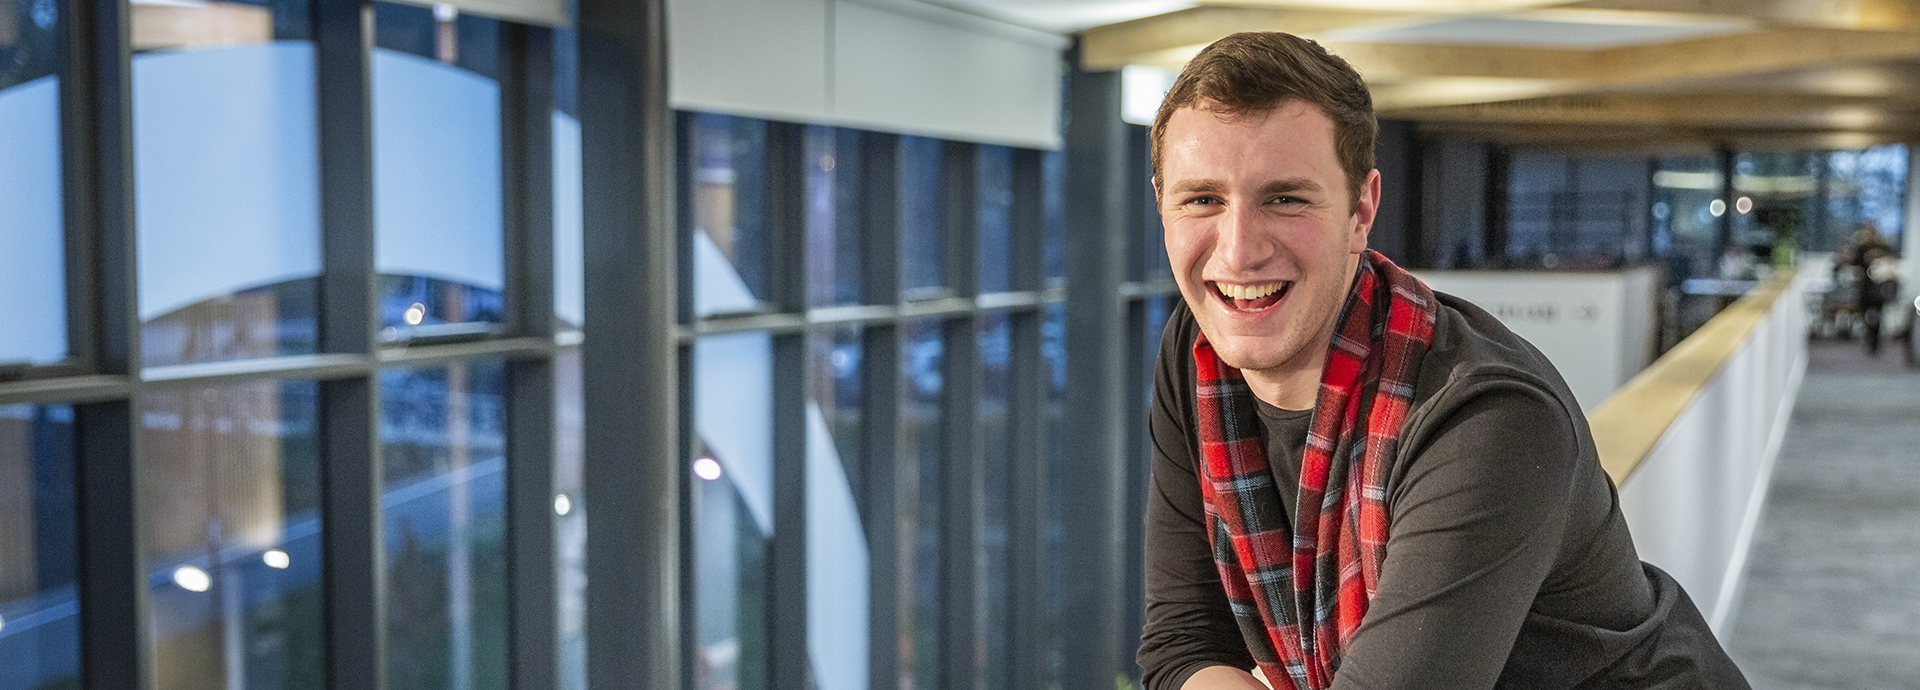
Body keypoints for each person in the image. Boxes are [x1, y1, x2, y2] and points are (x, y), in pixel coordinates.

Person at [1136, 32, 1749, 689]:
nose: (1237, 254)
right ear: (1162, 203)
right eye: (1202, 199)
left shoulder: (1486, 418)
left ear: (1361, 209)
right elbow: (1182, 644)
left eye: (1285, 198)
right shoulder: (1196, 353)